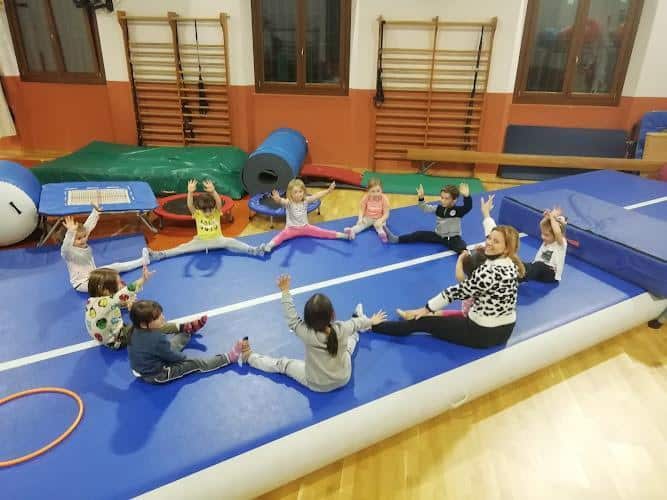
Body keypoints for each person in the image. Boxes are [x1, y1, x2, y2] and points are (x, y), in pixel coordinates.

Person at [364, 200, 524, 349]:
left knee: (422, 322)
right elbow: (494, 234)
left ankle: (372, 326)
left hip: (482, 333)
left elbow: (454, 293)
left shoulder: (489, 272)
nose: (488, 242)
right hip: (506, 329)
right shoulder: (511, 262)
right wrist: (487, 215)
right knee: (440, 316)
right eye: (489, 238)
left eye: (495, 242)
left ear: (506, 248)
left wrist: (425, 309)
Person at [239, 274, 387, 392]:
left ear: (307, 320)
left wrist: (285, 291)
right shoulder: (342, 328)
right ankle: (357, 326)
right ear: (333, 315)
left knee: (283, 365)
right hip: (343, 378)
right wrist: (371, 321)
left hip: (317, 384)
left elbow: (292, 319)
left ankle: (249, 357)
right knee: (349, 343)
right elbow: (357, 323)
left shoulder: (306, 333)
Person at [85, 265, 207, 349]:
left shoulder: (92, 301)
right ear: (106, 291)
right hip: (117, 339)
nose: (122, 284)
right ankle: (185, 327)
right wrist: (143, 279)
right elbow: (127, 292)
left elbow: (113, 304)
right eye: (118, 283)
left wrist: (126, 303)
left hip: (107, 336)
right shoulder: (109, 301)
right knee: (149, 324)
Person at [127, 299, 241, 384]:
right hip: (158, 375)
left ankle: (188, 331)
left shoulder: (134, 329)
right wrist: (184, 358)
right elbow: (172, 356)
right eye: (157, 318)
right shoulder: (156, 338)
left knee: (173, 343)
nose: (163, 317)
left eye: (161, 314)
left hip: (144, 366)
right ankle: (228, 358)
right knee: (195, 363)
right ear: (144, 324)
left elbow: (162, 346)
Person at [149, 179, 264, 260]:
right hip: (200, 242)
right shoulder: (198, 214)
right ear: (199, 209)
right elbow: (190, 205)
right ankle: (161, 254)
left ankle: (253, 250)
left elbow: (218, 202)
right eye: (205, 210)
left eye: (210, 209)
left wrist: (213, 191)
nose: (208, 213)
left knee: (232, 242)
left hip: (218, 240)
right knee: (182, 248)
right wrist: (190, 192)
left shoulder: (216, 212)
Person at [61, 203, 149, 292]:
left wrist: (96, 211)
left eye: (84, 236)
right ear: (71, 240)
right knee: (107, 283)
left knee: (116, 266)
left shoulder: (82, 239)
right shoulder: (69, 253)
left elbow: (88, 226)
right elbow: (65, 247)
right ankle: (122, 294)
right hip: (83, 283)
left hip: (94, 274)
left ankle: (143, 261)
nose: (83, 240)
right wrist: (70, 232)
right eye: (79, 239)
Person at [262, 179, 353, 253]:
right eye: (295, 192)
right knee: (281, 236)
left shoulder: (306, 200)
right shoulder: (289, 203)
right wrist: (277, 199)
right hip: (291, 229)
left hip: (305, 227)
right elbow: (281, 201)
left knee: (324, 232)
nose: (298, 194)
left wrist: (328, 190)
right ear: (290, 194)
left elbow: (317, 195)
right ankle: (269, 245)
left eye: (300, 191)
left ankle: (344, 235)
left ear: (304, 191)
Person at [385, 183, 472, 254]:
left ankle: (467, 256)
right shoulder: (438, 208)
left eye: (446, 198)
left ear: (454, 200)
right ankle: (396, 239)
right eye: (442, 198)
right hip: (438, 236)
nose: (443, 200)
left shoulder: (458, 211)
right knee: (418, 234)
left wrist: (467, 196)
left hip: (453, 238)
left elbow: (468, 207)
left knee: (461, 248)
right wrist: (421, 198)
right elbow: (424, 208)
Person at [522, 208, 567, 283]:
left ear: (556, 236)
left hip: (551, 274)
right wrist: (547, 217)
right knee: (526, 265)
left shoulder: (560, 243)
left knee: (538, 266)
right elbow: (542, 224)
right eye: (542, 234)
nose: (543, 237)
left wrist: (552, 217)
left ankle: (519, 278)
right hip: (539, 270)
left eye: (546, 235)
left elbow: (557, 232)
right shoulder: (547, 241)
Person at [343, 177, 391, 242]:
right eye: (373, 191)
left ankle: (382, 234)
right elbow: (361, 209)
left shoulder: (384, 199)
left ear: (381, 190)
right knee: (361, 224)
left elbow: (386, 214)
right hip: (368, 217)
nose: (376, 194)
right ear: (368, 191)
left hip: (379, 218)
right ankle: (352, 231)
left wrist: (381, 220)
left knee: (380, 226)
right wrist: (360, 218)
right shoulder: (366, 197)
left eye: (378, 191)